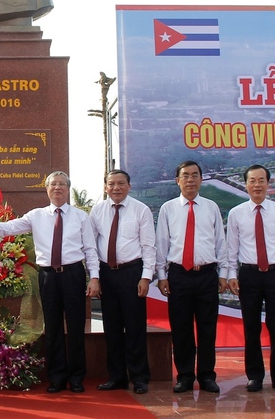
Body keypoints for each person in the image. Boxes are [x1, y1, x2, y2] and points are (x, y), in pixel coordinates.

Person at [0, 171, 99, 393]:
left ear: (68, 189)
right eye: (53, 184)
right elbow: (8, 228)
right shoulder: (36, 215)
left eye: (62, 184)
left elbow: (91, 249)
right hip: (48, 276)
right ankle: (56, 377)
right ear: (47, 189)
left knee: (75, 327)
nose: (57, 188)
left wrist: (94, 278)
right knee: (52, 327)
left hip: (73, 274)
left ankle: (76, 377)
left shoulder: (81, 217)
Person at [155, 161, 227, 394]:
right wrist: (161, 275)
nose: (190, 180)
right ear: (177, 180)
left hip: (206, 275)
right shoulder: (168, 208)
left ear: (201, 179)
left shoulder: (211, 207)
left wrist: (224, 274)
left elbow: (220, 242)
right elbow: (162, 244)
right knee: (181, 328)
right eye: (185, 176)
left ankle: (207, 376)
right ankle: (185, 376)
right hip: (178, 275)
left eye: (195, 175)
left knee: (208, 328)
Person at [226, 164, 275, 392]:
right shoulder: (236, 213)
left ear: (268, 183)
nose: (257, 185)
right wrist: (230, 275)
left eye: (261, 180)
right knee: (251, 327)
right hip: (249, 275)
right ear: (245, 184)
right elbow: (231, 249)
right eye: (252, 181)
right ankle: (255, 376)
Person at [89, 169, 154, 395]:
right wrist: (94, 277)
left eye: (120, 183)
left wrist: (146, 277)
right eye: (111, 184)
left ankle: (139, 378)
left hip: (132, 273)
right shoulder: (97, 211)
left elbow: (148, 247)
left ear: (129, 185)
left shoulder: (141, 210)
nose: (116, 188)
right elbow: (91, 247)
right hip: (107, 273)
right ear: (105, 187)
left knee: (135, 327)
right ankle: (116, 377)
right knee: (112, 328)